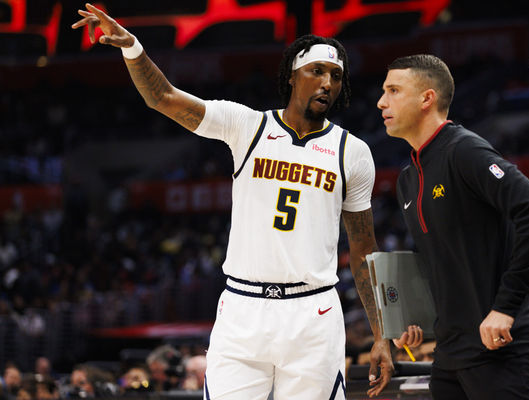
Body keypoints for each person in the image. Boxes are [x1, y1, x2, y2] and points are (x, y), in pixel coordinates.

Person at [72, 4, 422, 399]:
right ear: (292, 75)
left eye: (336, 76)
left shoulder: (353, 152)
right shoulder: (248, 126)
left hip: (314, 313)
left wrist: (382, 335)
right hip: (243, 307)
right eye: (317, 71)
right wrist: (133, 47)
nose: (327, 82)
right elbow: (164, 98)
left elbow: (363, 251)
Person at [377, 54, 529, 399]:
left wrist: (505, 308)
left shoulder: (465, 151)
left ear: (426, 98)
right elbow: (440, 259)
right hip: (449, 357)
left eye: (394, 90)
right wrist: (414, 318)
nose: (381, 101)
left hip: (502, 353)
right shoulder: (407, 178)